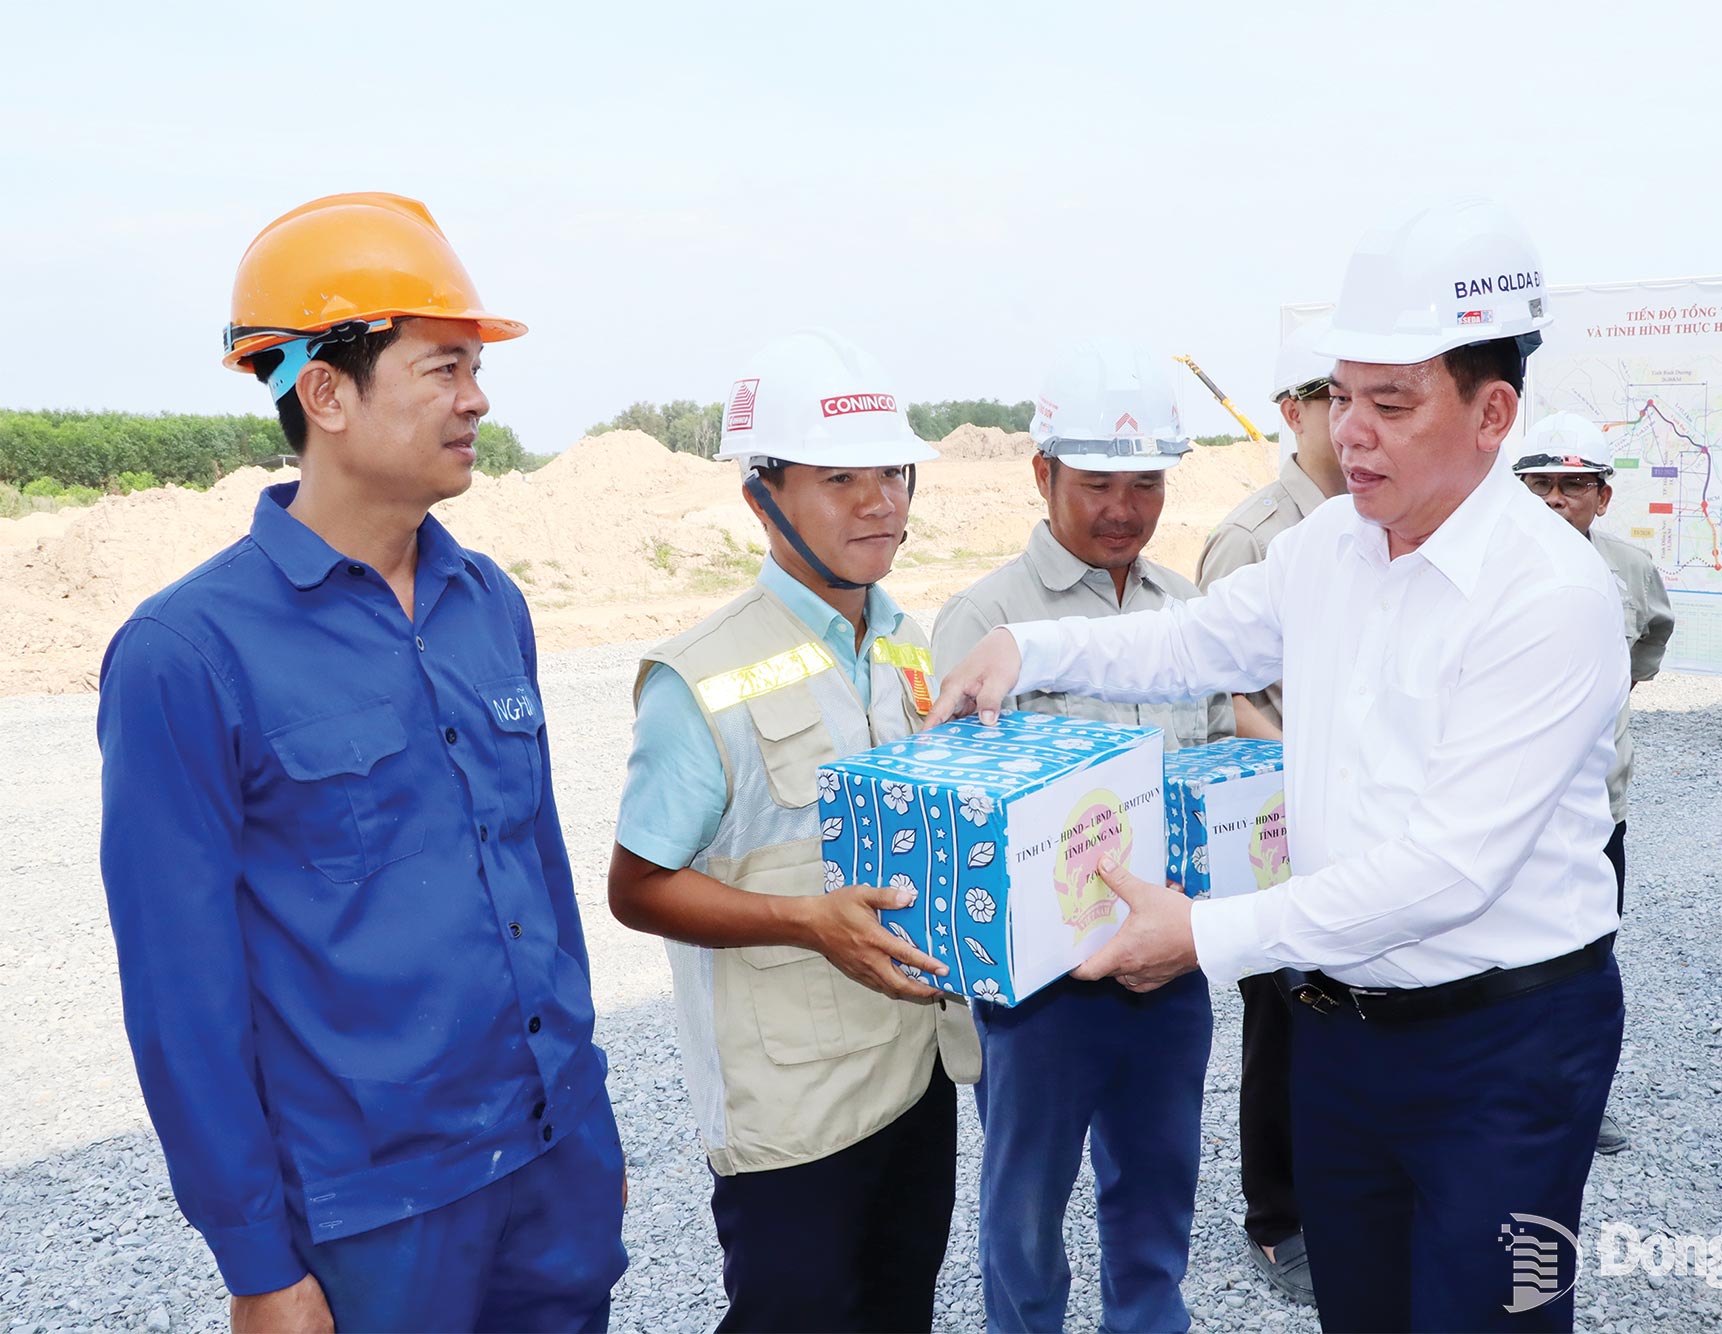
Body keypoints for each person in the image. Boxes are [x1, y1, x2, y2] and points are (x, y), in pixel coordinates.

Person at [927, 198, 1628, 1333]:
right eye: (1341, 395)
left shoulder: (1548, 597)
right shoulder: (1330, 548)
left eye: (1389, 403)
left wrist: (1199, 936)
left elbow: (1447, 869)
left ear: (1492, 410)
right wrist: (1027, 642)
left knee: (1496, 1315)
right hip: (1342, 1038)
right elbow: (1193, 639)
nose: (1348, 431)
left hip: (1507, 1054)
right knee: (1359, 1308)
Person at [97, 193, 626, 1333]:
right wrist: (256, 1265)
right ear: (326, 391)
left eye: (475, 368)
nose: (478, 398)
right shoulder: (184, 656)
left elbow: (536, 868)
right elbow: (180, 995)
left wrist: (588, 1126)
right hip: (376, 1214)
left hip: (552, 1166)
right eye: (442, 368)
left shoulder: (489, 603)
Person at [606, 330, 980, 1333]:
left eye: (894, 473)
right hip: (794, 1107)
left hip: (915, 1067)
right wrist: (808, 920)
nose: (881, 501)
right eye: (840, 477)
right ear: (760, 494)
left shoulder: (908, 640)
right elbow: (636, 886)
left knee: (900, 1305)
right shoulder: (701, 675)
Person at [931, 337, 1230, 1334]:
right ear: (1040, 472)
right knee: (1022, 1219)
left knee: (1154, 1201)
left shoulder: (1187, 612)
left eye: (1144, 483)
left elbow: (1216, 770)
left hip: (1166, 970)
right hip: (1037, 998)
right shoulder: (985, 617)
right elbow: (961, 809)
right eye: (1097, 482)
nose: (1122, 508)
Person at [1189, 317, 1347, 1302]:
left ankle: (1345, 1188)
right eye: (1331, 394)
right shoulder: (1252, 538)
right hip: (1277, 823)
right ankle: (1275, 1213)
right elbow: (1221, 689)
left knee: (1353, 1012)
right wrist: (1308, 763)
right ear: (1291, 411)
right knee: (1281, 1016)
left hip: (1362, 823)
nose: (1350, 415)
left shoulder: (1385, 521)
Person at [1512, 414, 1675, 1155]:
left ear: (1602, 497)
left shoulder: (1631, 570)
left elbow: (1648, 646)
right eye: (1538, 485)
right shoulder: (1477, 572)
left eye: (1572, 486)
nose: (1554, 500)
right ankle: (1505, 1095)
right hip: (1504, 810)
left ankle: (1581, 1101)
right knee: (1499, 963)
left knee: (1584, 961)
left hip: (1596, 809)